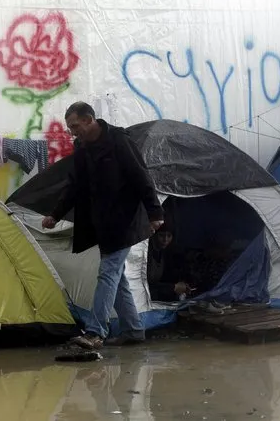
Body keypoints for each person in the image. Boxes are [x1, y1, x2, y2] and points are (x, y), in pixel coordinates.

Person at [42, 101, 164, 349]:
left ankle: (95, 332)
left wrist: (155, 212)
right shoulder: (82, 148)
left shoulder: (119, 141)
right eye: (70, 127)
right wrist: (55, 214)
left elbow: (141, 176)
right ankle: (133, 330)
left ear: (89, 120)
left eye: (75, 125)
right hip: (102, 223)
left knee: (108, 273)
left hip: (125, 221)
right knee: (117, 280)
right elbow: (75, 186)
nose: (73, 131)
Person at [146, 223, 194, 301]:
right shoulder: (146, 253)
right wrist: (173, 287)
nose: (165, 240)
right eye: (161, 235)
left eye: (169, 236)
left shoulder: (164, 253)